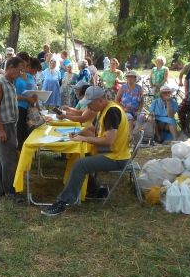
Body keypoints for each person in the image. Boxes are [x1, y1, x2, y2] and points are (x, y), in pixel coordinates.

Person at [43, 86, 131, 216]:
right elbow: (93, 130)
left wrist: (83, 138)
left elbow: (108, 141)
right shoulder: (103, 109)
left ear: (100, 100)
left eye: (90, 103)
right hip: (110, 153)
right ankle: (95, 190)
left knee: (80, 164)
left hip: (117, 157)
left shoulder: (112, 111)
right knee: (81, 156)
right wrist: (78, 134)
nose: (88, 107)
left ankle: (62, 203)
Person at [0, 57, 25, 201]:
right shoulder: (0, 84)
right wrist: (0, 129)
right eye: (19, 69)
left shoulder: (11, 83)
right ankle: (11, 192)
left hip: (11, 124)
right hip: (4, 125)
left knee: (3, 159)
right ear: (10, 67)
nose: (20, 72)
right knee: (9, 161)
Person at [14, 56, 38, 149]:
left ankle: (28, 151)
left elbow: (34, 91)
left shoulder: (30, 77)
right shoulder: (15, 77)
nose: (26, 66)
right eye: (24, 64)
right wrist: (27, 99)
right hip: (19, 107)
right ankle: (20, 152)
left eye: (27, 64)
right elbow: (13, 95)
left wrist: (35, 100)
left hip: (30, 107)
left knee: (30, 130)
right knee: (20, 131)